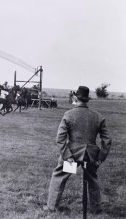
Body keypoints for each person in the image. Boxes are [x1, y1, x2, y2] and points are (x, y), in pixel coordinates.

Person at [45, 86, 112, 214]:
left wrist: (67, 156)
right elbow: (107, 140)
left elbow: (60, 138)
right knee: (92, 179)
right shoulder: (98, 116)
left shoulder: (69, 114)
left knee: (59, 176)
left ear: (76, 97)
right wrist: (100, 158)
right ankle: (96, 209)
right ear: (87, 99)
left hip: (72, 156)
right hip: (91, 156)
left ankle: (51, 207)